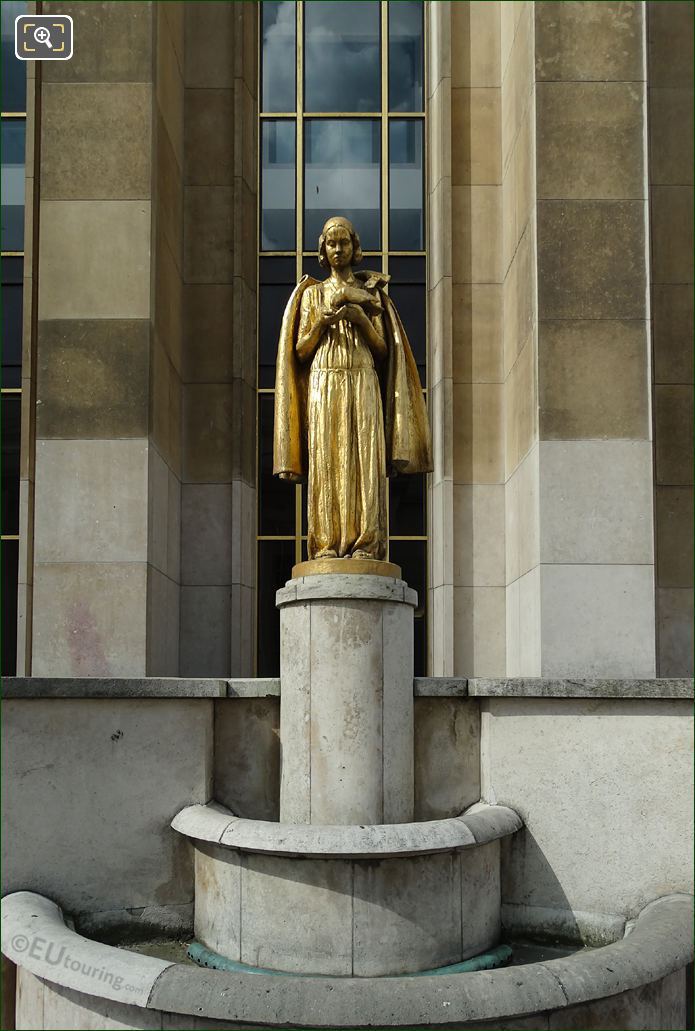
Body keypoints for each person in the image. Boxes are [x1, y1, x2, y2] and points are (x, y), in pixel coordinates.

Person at [273, 215, 431, 563]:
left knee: (363, 459)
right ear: (323, 249)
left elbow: (383, 350)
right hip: (323, 380)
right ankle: (326, 542)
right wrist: (321, 324)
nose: (338, 250)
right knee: (327, 459)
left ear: (353, 247)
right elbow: (299, 351)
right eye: (331, 243)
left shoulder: (371, 294)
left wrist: (360, 317)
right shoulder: (312, 294)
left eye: (344, 243)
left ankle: (365, 543)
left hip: (361, 377)